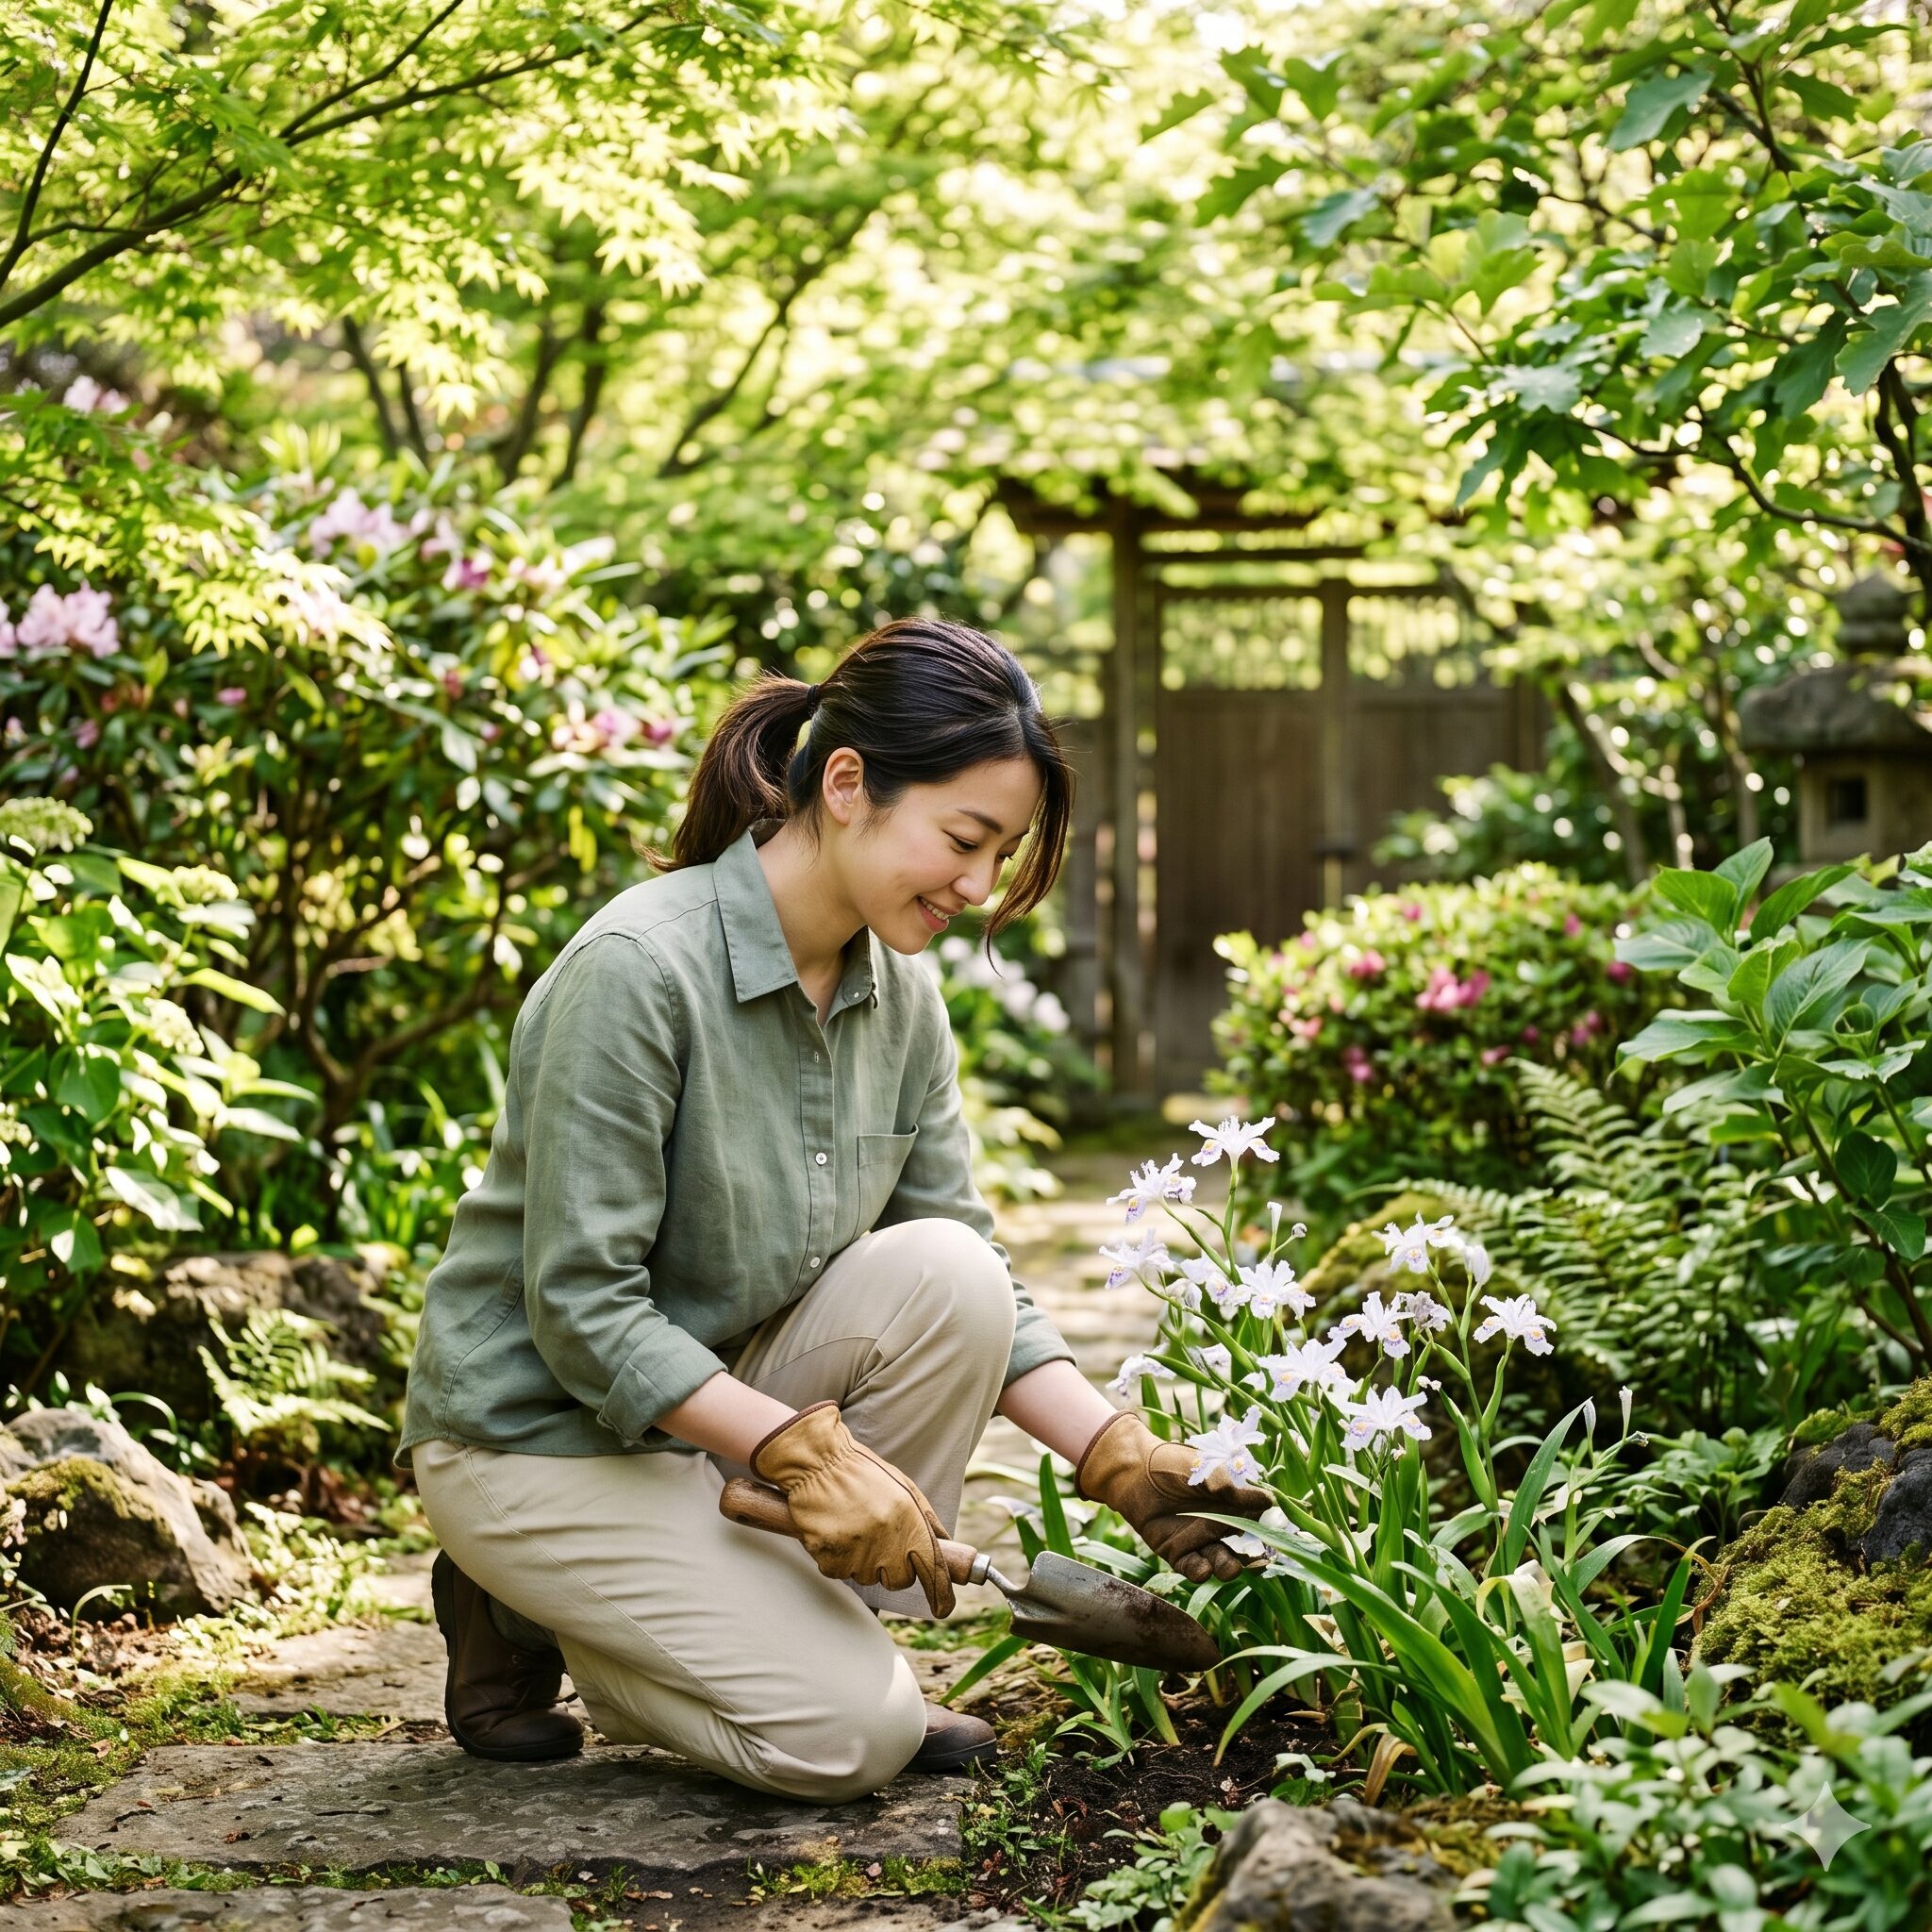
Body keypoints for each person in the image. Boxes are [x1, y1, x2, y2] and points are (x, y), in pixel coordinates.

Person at [398, 617, 1268, 1801]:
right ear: (847, 783)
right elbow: (582, 1307)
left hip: (702, 1421)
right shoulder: (637, 970)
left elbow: (975, 1276)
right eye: (962, 839)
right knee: (848, 1739)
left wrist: (1116, 1457)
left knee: (950, 1271)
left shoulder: (900, 1001)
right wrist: (800, 1450)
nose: (978, 886)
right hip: (535, 1434)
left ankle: (754, 1631)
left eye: (1000, 852)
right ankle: (541, 1612)